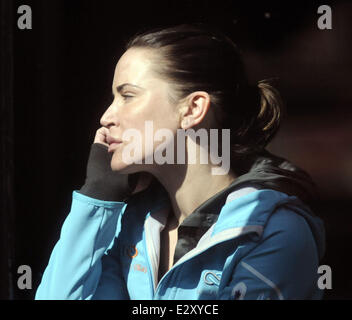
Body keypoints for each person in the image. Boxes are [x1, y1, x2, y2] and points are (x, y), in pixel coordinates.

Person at [35, 23, 325, 300]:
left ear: (193, 109)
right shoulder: (132, 226)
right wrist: (97, 196)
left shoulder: (274, 231)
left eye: (127, 95)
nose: (106, 117)